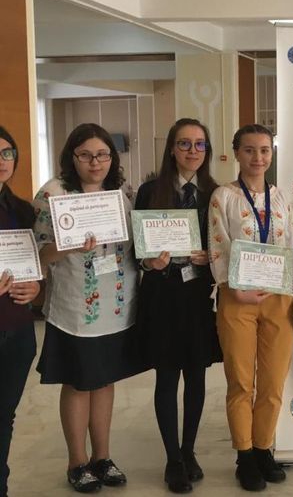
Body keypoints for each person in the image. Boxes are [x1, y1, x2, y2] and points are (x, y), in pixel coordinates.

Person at [32, 123, 141, 493]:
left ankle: (102, 457)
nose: (96, 163)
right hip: (75, 308)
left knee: (105, 380)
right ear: (72, 157)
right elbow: (38, 256)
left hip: (116, 306)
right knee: (79, 382)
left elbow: (132, 244)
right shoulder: (53, 194)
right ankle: (77, 462)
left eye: (103, 154)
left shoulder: (120, 192)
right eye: (86, 155)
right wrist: (68, 245)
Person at [208, 124, 293, 492]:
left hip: (278, 297)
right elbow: (218, 246)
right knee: (240, 382)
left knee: (272, 380)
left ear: (271, 154)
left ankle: (265, 448)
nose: (258, 157)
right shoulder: (223, 196)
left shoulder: (280, 197)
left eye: (264, 150)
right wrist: (234, 289)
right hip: (238, 298)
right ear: (237, 153)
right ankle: (245, 455)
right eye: (249, 150)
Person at [135, 118, 222, 493]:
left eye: (200, 144)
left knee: (197, 376)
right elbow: (136, 252)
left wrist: (212, 257)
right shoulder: (149, 191)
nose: (192, 151)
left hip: (198, 297)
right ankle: (172, 459)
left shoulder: (216, 193)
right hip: (162, 296)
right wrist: (149, 262)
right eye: (184, 143)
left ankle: (189, 451)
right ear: (171, 148)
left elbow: (227, 245)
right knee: (167, 377)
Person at [0, 126, 41, 497]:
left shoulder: (23, 211)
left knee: (4, 416)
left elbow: (33, 268)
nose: (1, 161)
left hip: (17, 331)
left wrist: (36, 287)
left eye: (7, 153)